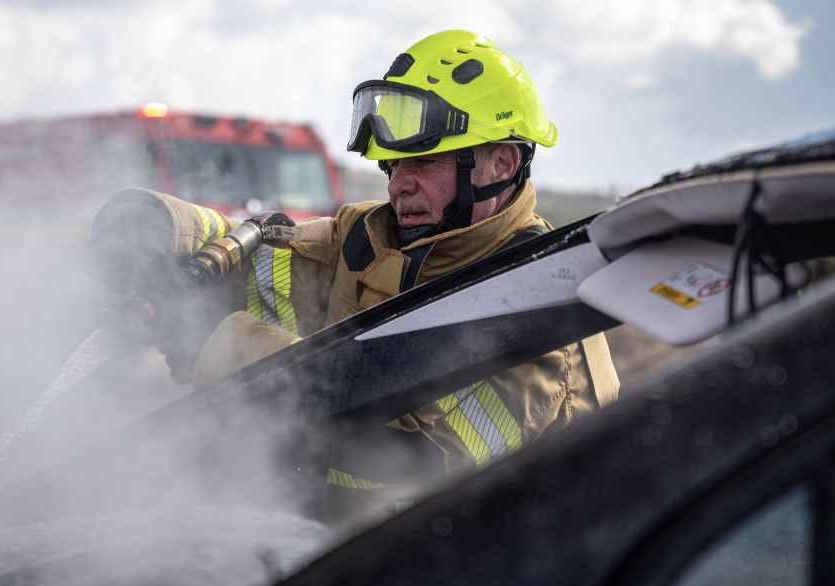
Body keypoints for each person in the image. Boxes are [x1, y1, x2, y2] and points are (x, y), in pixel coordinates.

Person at [90, 29, 619, 522]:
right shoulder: (369, 240)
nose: (399, 186)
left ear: (501, 164)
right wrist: (157, 227)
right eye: (391, 166)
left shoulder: (539, 312)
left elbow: (406, 472)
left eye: (423, 163)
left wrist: (218, 346)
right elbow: (251, 254)